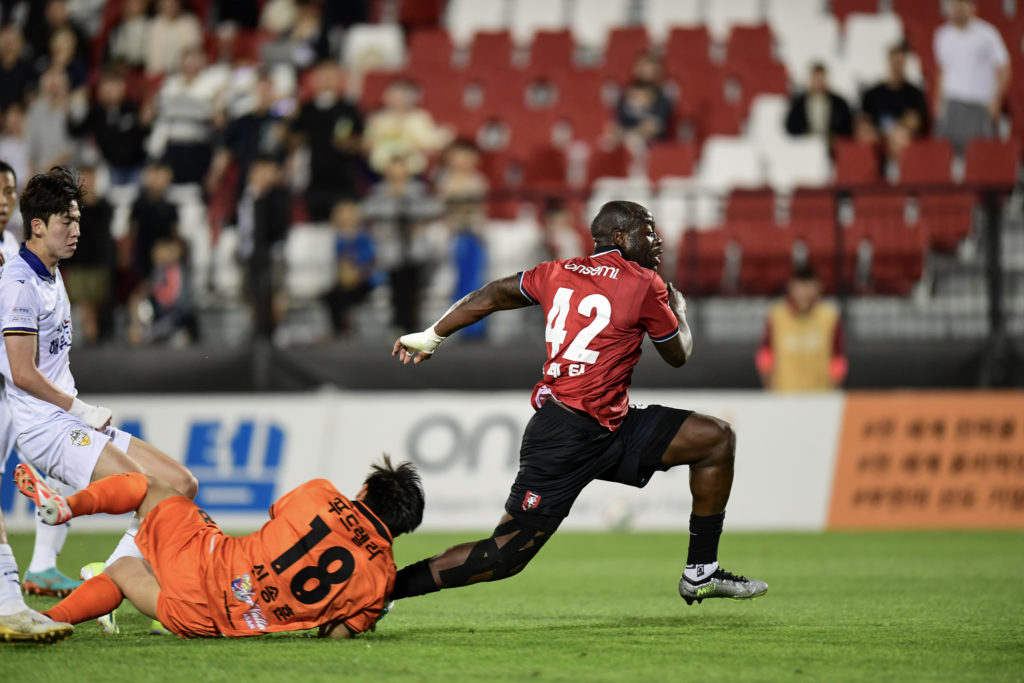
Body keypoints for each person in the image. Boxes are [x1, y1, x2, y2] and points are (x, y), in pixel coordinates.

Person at [390, 200, 767, 606]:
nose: (658, 241)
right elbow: (678, 355)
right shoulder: (643, 283)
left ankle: (701, 572)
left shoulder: (555, 271)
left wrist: (431, 336)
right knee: (504, 557)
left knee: (715, 439)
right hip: (567, 437)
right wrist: (680, 313)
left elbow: (492, 295)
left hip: (607, 425)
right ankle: (388, 587)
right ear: (621, 237)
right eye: (649, 231)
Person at [0, 167, 198, 635]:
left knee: (181, 483)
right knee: (150, 492)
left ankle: (107, 577)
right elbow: (22, 372)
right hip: (47, 427)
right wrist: (77, 409)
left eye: (78, 220)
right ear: (38, 225)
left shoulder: (51, 274)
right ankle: (123, 585)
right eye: (66, 220)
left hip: (69, 417)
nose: (76, 230)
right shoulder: (18, 283)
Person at [16, 455, 424, 639]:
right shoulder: (379, 582)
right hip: (208, 623)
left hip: (206, 564)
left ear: (365, 490)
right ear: (401, 529)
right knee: (123, 572)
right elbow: (336, 634)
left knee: (152, 488)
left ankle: (67, 508)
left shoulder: (321, 493)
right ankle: (51, 619)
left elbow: (278, 518)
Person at [0, 160, 75, 644]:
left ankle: (19, 590)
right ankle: (11, 599)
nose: (3, 197)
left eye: (8, 189)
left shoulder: (13, 252)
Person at [933, 0, 1011, 155]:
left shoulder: (988, 34)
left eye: (962, 5)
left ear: (972, 7)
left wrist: (996, 100)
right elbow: (941, 71)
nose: (958, 9)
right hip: (952, 103)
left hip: (979, 104)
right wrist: (938, 102)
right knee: (945, 152)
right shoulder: (942, 35)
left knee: (978, 153)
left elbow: (1004, 69)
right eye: (954, 5)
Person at [291, 60, 364, 222]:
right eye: (323, 76)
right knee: (318, 227)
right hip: (314, 179)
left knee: (346, 224)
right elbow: (293, 141)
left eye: (331, 76)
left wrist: (349, 144)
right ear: (314, 80)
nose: (327, 80)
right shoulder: (305, 109)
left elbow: (361, 142)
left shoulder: (349, 108)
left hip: (343, 179)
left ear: (339, 79)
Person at [755, 263, 847, 392]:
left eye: (809, 286)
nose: (805, 292)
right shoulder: (777, 315)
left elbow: (838, 356)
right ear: (791, 286)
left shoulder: (830, 317)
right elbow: (765, 352)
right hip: (784, 394)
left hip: (820, 395)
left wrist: (835, 380)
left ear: (818, 287)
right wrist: (767, 378)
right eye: (801, 286)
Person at [859, 44, 929, 163]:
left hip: (902, 138)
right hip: (878, 137)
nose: (897, 65)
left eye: (900, 62)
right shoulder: (873, 93)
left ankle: (897, 176)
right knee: (865, 138)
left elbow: (915, 121)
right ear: (888, 62)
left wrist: (895, 131)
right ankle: (868, 177)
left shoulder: (914, 93)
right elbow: (864, 121)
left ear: (905, 63)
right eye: (894, 61)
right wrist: (876, 133)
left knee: (900, 137)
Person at [785, 62, 853, 141]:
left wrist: (835, 135)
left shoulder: (839, 103)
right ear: (810, 79)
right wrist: (804, 133)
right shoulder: (799, 102)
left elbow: (848, 126)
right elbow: (791, 126)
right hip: (806, 147)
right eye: (816, 78)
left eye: (821, 78)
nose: (819, 82)